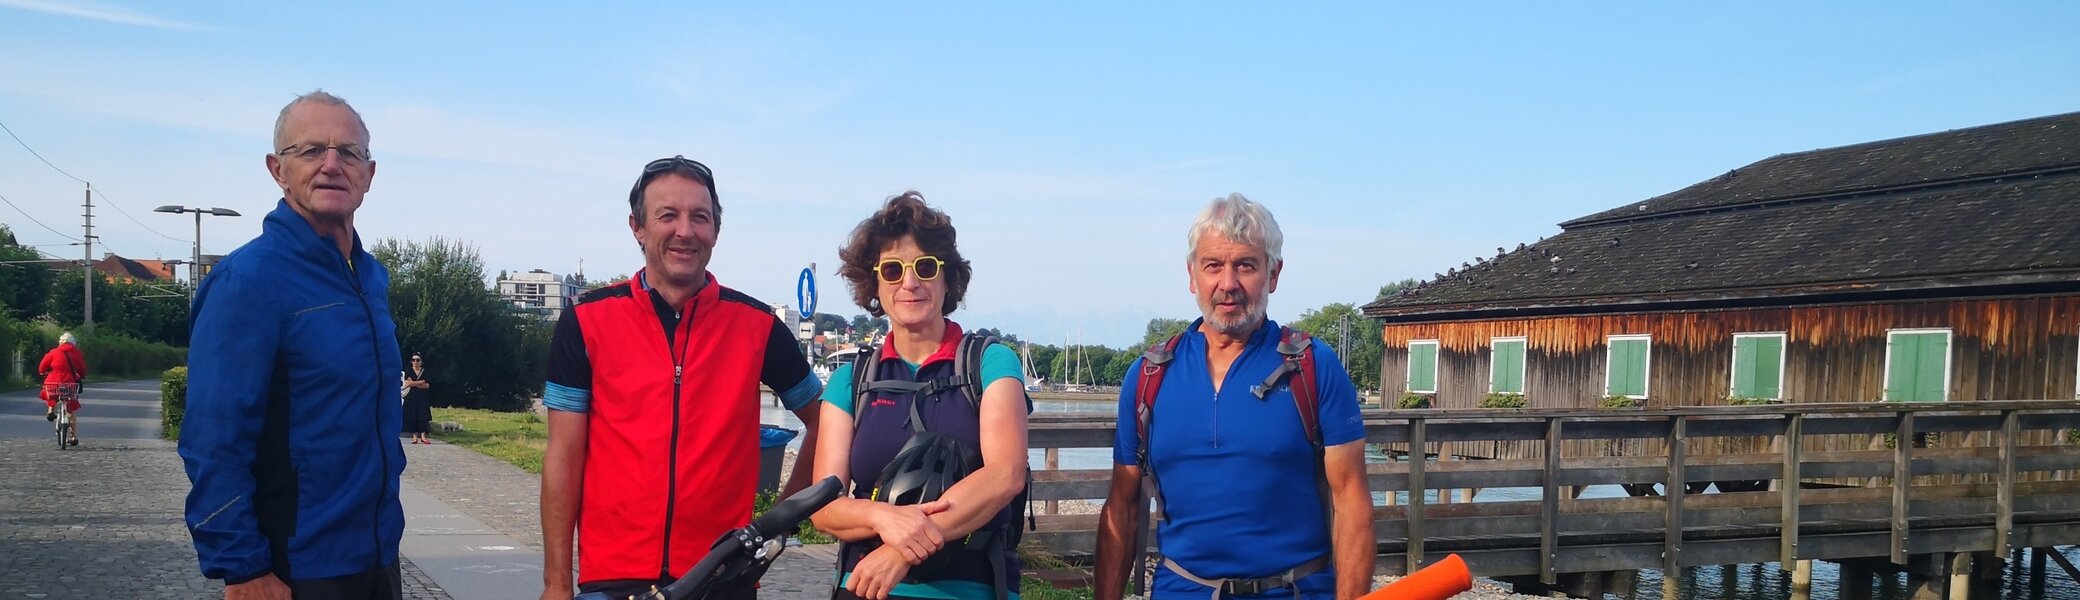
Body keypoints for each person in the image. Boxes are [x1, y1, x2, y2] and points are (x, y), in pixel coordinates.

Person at [538, 155, 825, 600]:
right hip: (612, 580)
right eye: (667, 215)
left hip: (722, 578)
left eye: (700, 217)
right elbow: (564, 456)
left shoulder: (758, 326)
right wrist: (556, 583)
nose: (685, 231)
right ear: (637, 226)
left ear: (716, 230)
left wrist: (779, 521)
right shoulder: (587, 320)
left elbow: (824, 421)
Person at [180, 89, 407, 600]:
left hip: (376, 559)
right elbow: (213, 439)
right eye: (310, 151)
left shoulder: (370, 279)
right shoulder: (248, 280)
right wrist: (243, 568)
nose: (332, 165)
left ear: (369, 174)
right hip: (293, 568)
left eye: (348, 152)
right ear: (276, 169)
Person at [1094, 194, 1373, 600]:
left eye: (1246, 265)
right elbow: (1122, 507)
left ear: (1273, 274)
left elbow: (1351, 502)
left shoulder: (1313, 367)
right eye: (1213, 266)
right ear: (1192, 276)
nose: (1228, 284)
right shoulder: (1150, 375)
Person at [808, 192, 1031, 600]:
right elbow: (823, 506)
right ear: (874, 283)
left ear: (948, 279)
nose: (909, 282)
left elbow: (1005, 475)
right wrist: (881, 517)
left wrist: (900, 552)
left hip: (972, 586)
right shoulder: (850, 380)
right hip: (865, 586)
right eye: (892, 270)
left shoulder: (990, 364)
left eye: (925, 267)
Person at [38, 331, 87, 445]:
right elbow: (82, 368)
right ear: (73, 343)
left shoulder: (54, 352)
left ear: (60, 342)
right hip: (69, 382)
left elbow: (42, 366)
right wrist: (82, 375)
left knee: (51, 392)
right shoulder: (77, 353)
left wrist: (42, 372)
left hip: (53, 380)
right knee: (70, 408)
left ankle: (50, 410)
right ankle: (73, 436)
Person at [403, 353, 434, 444]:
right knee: (413, 416)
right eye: (413, 360)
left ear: (421, 362)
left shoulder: (425, 371)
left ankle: (423, 436)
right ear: (411, 362)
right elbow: (408, 383)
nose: (415, 362)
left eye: (417, 360)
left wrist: (414, 383)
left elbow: (427, 386)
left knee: (423, 416)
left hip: (422, 397)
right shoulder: (408, 371)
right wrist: (421, 382)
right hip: (412, 397)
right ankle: (414, 437)